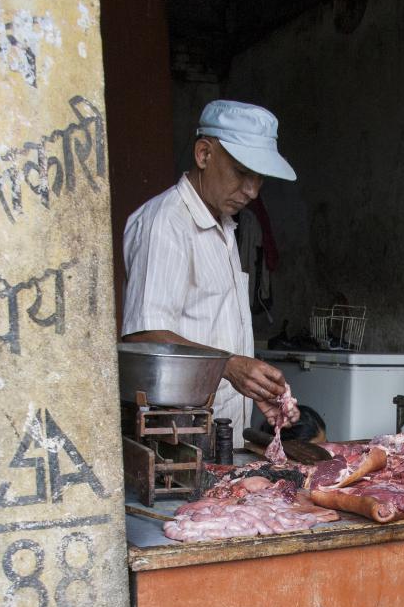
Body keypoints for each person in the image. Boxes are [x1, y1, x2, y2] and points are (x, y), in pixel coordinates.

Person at [121, 99, 300, 444]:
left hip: (220, 439)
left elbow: (216, 330)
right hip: (175, 444)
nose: (252, 191)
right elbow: (143, 336)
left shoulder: (226, 227)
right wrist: (229, 366)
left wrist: (253, 386)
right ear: (204, 154)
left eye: (259, 178)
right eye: (241, 173)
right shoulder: (166, 223)